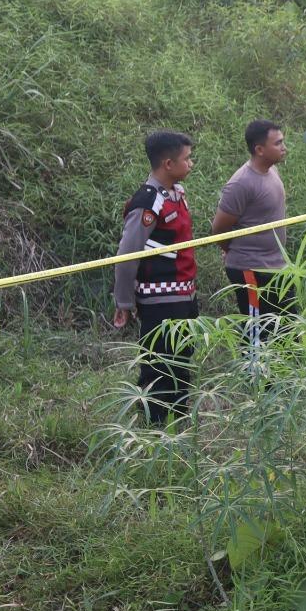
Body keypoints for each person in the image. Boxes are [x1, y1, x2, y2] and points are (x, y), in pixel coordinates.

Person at [112, 131, 199, 424]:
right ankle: (154, 429)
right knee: (159, 368)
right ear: (167, 163)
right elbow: (127, 256)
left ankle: (179, 424)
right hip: (160, 302)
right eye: (186, 159)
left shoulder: (176, 195)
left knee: (181, 364)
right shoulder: (148, 203)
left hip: (184, 298)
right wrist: (123, 301)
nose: (191, 164)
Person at [212, 119, 292, 336]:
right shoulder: (241, 183)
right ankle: (253, 371)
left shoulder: (273, 171)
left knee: (286, 329)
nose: (284, 148)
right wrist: (230, 251)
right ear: (259, 149)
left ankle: (278, 371)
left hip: (278, 266)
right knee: (258, 332)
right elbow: (218, 229)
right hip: (251, 269)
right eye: (278, 143)